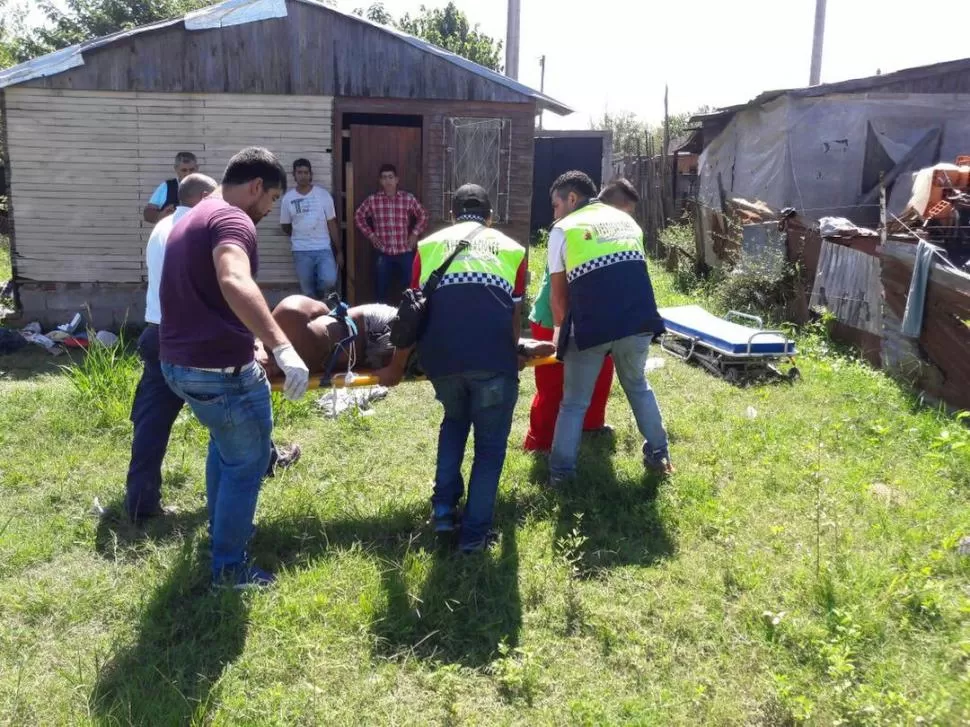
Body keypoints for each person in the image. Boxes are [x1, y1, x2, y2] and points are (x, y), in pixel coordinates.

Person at [159, 147, 311, 588]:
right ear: (257, 186)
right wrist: (282, 346)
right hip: (217, 371)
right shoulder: (232, 218)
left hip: (180, 363)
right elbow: (233, 279)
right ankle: (229, 567)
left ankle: (223, 528)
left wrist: (252, 339)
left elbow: (211, 294)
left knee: (227, 448)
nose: (269, 210)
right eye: (272, 199)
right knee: (247, 462)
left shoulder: (194, 214)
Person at [124, 173, 301, 524]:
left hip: (158, 333)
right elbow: (226, 288)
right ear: (206, 196)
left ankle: (140, 500)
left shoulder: (164, 228)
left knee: (152, 422)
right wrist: (262, 340)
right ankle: (252, 479)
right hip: (196, 338)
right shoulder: (207, 225)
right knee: (238, 405)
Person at [411, 183, 526, 553]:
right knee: (489, 449)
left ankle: (444, 513)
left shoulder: (428, 246)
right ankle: (474, 537)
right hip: (492, 361)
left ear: (452, 214)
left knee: (454, 422)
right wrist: (513, 354)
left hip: (442, 361)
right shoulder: (512, 249)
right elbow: (514, 315)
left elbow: (416, 306)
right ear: (490, 216)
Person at [546, 171, 672, 487]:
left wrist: (560, 338)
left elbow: (558, 297)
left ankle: (561, 475)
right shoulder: (628, 222)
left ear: (571, 198)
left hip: (591, 326)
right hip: (638, 320)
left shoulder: (563, 229)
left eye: (556, 205)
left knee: (574, 403)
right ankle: (659, 454)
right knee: (638, 386)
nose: (555, 214)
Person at [522, 178, 641, 453]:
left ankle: (591, 426)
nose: (623, 221)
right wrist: (558, 332)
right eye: (623, 212)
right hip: (554, 317)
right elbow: (558, 292)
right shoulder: (568, 230)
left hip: (595, 318)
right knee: (553, 384)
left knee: (601, 375)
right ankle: (540, 442)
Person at [255, 295, 554, 386]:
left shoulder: (287, 316)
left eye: (259, 363)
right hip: (367, 351)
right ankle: (508, 352)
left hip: (372, 326)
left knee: (435, 340)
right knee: (441, 357)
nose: (265, 370)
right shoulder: (277, 370)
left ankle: (515, 347)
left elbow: (322, 308)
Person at [354, 163, 429, 302]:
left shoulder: (407, 198)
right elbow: (358, 216)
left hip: (405, 251)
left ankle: (409, 314)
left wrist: (415, 233)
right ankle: (380, 315)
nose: (388, 181)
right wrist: (371, 235)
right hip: (383, 253)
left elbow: (423, 215)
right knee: (381, 290)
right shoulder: (373, 200)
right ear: (380, 181)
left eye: (390, 177)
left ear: (396, 180)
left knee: (411, 290)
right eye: (384, 177)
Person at [280, 159, 343, 299]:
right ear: (294, 175)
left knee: (329, 280)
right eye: (299, 172)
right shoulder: (288, 199)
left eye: (306, 172)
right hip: (300, 250)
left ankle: (320, 298)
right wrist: (299, 235)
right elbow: (285, 226)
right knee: (307, 290)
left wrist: (339, 250)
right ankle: (313, 310)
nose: (303, 176)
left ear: (311, 174)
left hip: (323, 248)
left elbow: (332, 223)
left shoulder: (323, 195)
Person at [143, 152, 199, 224]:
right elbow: (148, 213)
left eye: (191, 170)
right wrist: (160, 215)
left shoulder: (206, 186)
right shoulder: (166, 187)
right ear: (176, 169)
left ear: (197, 168)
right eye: (184, 170)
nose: (188, 173)